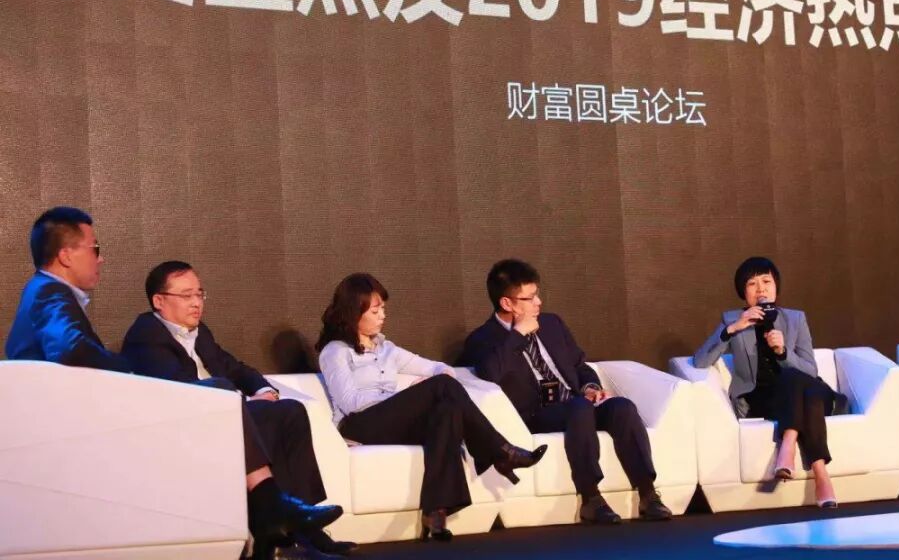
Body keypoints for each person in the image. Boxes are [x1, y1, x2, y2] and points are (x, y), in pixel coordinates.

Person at [121, 261, 351, 558]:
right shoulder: (146, 334)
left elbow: (234, 367)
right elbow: (178, 392)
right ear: (159, 301)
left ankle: (303, 523)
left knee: (289, 411)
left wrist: (264, 390)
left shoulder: (200, 332)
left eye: (199, 294)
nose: (196, 302)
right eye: (186, 295)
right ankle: (281, 522)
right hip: (187, 426)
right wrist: (240, 401)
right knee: (222, 388)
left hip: (227, 415)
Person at [316, 273, 546, 542]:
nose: (383, 316)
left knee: (447, 410)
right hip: (359, 425)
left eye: (384, 309)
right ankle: (500, 451)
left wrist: (430, 384)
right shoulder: (335, 352)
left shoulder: (387, 349)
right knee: (441, 388)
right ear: (354, 312)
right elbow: (350, 403)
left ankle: (436, 512)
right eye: (375, 311)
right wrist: (409, 396)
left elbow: (440, 369)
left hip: (390, 423)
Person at [459, 259, 672, 525]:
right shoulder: (483, 338)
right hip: (537, 414)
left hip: (575, 403)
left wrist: (591, 387)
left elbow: (579, 365)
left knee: (622, 407)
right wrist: (518, 335)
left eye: (537, 294)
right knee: (579, 408)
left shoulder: (552, 324)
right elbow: (490, 373)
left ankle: (648, 494)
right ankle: (591, 498)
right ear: (507, 303)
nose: (538, 302)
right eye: (530, 298)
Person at [692, 256, 839, 508]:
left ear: (776, 286)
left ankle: (788, 445)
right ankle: (821, 474)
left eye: (766, 281)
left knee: (797, 380)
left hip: (806, 390)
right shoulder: (732, 320)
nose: (760, 289)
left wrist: (783, 352)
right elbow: (700, 361)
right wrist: (733, 329)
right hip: (764, 400)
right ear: (743, 292)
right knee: (806, 395)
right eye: (752, 284)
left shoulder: (795, 319)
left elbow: (810, 370)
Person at [6, 206, 128, 371]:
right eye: (95, 248)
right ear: (66, 256)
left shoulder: (40, 287)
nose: (100, 259)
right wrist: (130, 369)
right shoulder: (48, 292)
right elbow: (72, 349)